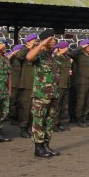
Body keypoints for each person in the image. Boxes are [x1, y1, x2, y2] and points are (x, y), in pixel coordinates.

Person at [27, 29, 61, 158]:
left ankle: (46, 144)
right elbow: (29, 57)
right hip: (41, 95)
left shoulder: (51, 56)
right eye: (51, 39)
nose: (54, 41)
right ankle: (38, 147)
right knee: (39, 121)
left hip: (53, 94)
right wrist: (41, 44)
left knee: (50, 121)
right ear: (45, 40)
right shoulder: (39, 54)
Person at [14, 33, 38, 138]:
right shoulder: (24, 51)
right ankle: (23, 128)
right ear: (28, 41)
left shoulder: (37, 51)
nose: (36, 42)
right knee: (25, 107)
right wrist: (28, 47)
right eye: (34, 40)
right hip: (27, 85)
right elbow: (19, 56)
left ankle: (31, 127)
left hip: (37, 84)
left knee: (35, 108)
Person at [53, 41, 71, 131]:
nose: (67, 49)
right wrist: (59, 52)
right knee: (57, 106)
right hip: (59, 85)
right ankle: (54, 124)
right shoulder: (56, 57)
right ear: (60, 48)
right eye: (65, 47)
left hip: (66, 84)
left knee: (64, 105)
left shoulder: (67, 58)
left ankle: (60, 122)